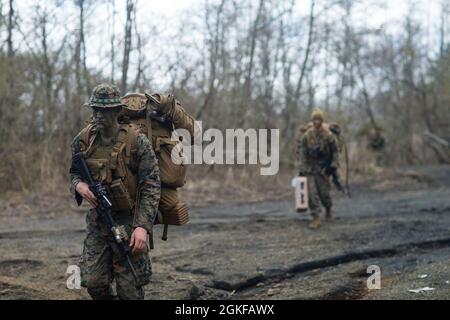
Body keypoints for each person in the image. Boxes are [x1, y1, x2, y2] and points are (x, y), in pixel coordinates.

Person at [69, 83, 161, 300]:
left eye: (104, 111)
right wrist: (78, 185)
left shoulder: (137, 141)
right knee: (93, 282)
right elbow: (74, 173)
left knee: (129, 291)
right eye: (95, 110)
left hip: (129, 221)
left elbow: (151, 184)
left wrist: (142, 227)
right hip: (98, 221)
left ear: (116, 111)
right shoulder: (83, 141)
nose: (98, 115)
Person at [298, 108, 340, 230]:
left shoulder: (329, 136)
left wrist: (333, 166)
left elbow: (335, 152)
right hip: (310, 168)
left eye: (319, 119)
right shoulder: (307, 135)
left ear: (322, 120)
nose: (316, 122)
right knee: (312, 193)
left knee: (323, 193)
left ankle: (328, 208)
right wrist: (302, 168)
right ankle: (315, 217)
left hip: (322, 168)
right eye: (315, 119)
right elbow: (303, 152)